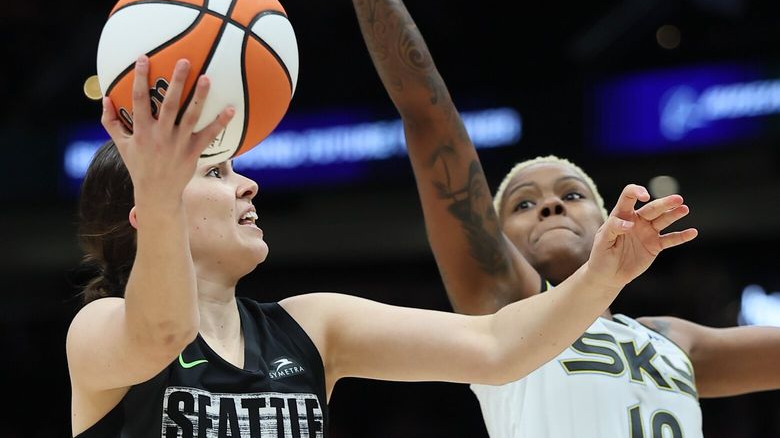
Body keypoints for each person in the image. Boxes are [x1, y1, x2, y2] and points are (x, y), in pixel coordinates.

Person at [66, 54, 694, 437]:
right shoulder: (97, 329)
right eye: (215, 173)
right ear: (145, 209)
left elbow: (497, 346)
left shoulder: (311, 326)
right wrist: (159, 189)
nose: (247, 185)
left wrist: (604, 275)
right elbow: (162, 333)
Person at [330, 0, 780, 436]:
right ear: (497, 241)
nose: (549, 206)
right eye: (523, 204)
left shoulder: (675, 339)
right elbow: (430, 118)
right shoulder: (503, 306)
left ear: (607, 221)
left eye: (571, 195)